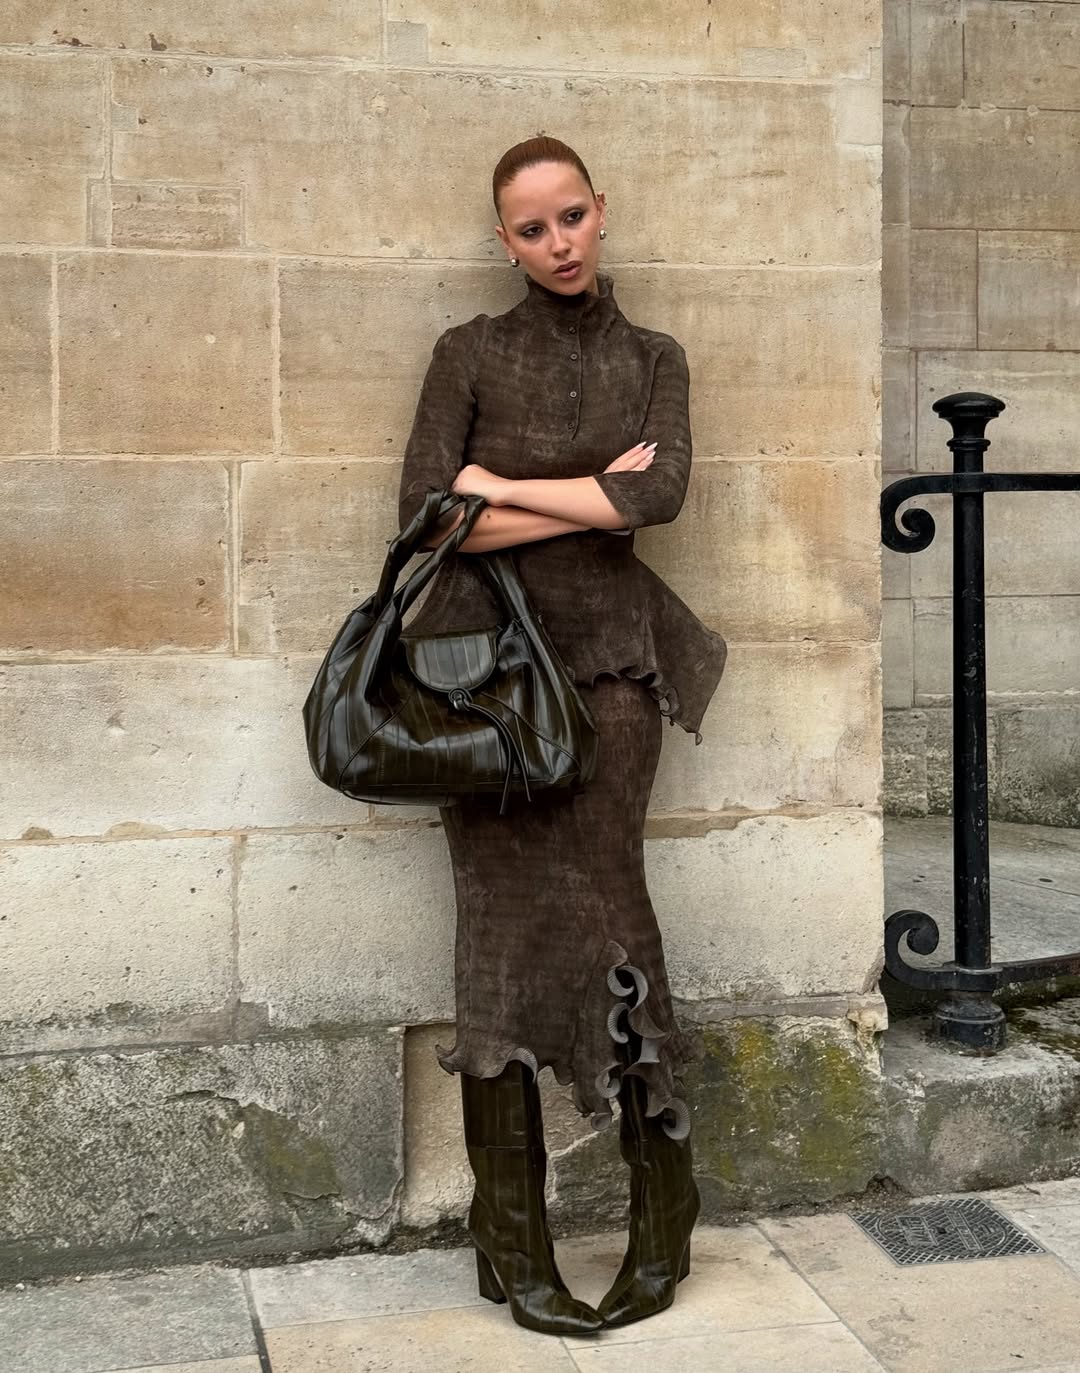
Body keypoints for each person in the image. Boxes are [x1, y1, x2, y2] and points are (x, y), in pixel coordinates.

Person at [396, 135, 728, 1336]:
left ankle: (663, 1211)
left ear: (602, 211)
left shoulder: (655, 357)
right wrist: (578, 492)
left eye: (572, 216)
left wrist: (507, 486)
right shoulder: (467, 352)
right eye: (532, 229)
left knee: (614, 921)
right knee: (492, 941)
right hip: (476, 688)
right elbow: (431, 520)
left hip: (613, 677)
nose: (559, 242)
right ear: (506, 241)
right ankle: (511, 1241)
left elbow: (658, 496)